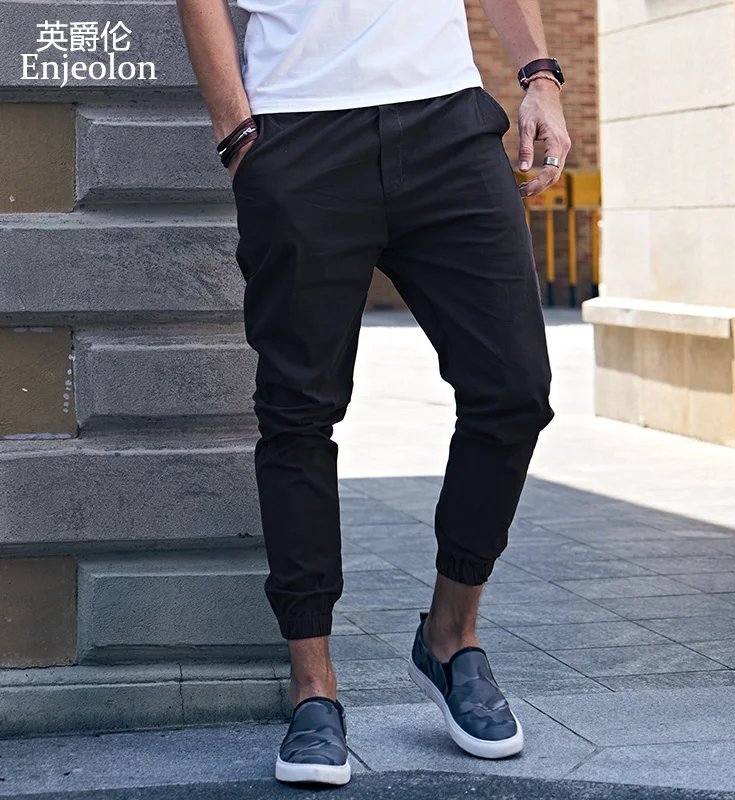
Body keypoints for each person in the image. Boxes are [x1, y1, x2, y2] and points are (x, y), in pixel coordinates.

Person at [177, 0, 570, 786]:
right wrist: (238, 133)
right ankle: (313, 687)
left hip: (448, 122)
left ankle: (451, 637)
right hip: (299, 128)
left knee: (514, 390)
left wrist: (540, 77)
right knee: (298, 414)